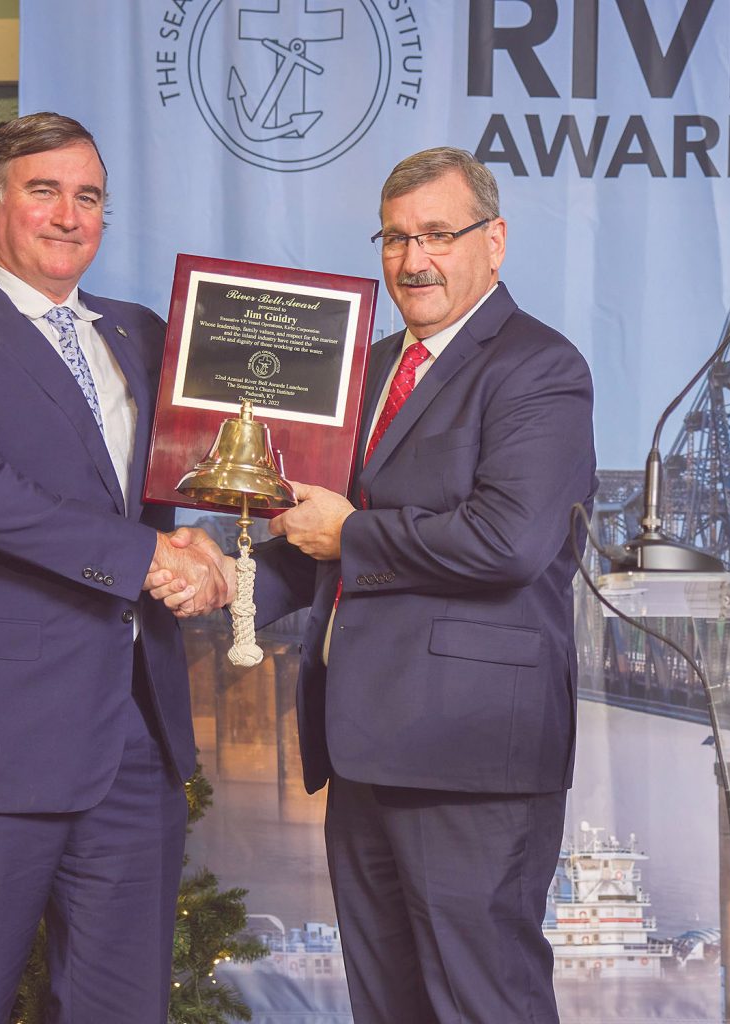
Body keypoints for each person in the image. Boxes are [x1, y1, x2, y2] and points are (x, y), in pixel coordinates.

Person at [153, 147, 597, 1022]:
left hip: (471, 756)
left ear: (494, 241)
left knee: (482, 1001)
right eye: (394, 238)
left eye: (438, 234)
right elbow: (308, 534)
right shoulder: (368, 364)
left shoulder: (540, 368)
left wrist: (350, 532)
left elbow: (507, 543)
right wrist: (217, 573)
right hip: (363, 744)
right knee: (388, 1005)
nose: (412, 259)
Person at [0, 112, 231, 1023]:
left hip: (132, 750)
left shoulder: (145, 333)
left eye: (90, 196)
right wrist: (149, 554)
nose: (69, 215)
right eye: (43, 191)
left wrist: (216, 548)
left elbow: (218, 467)